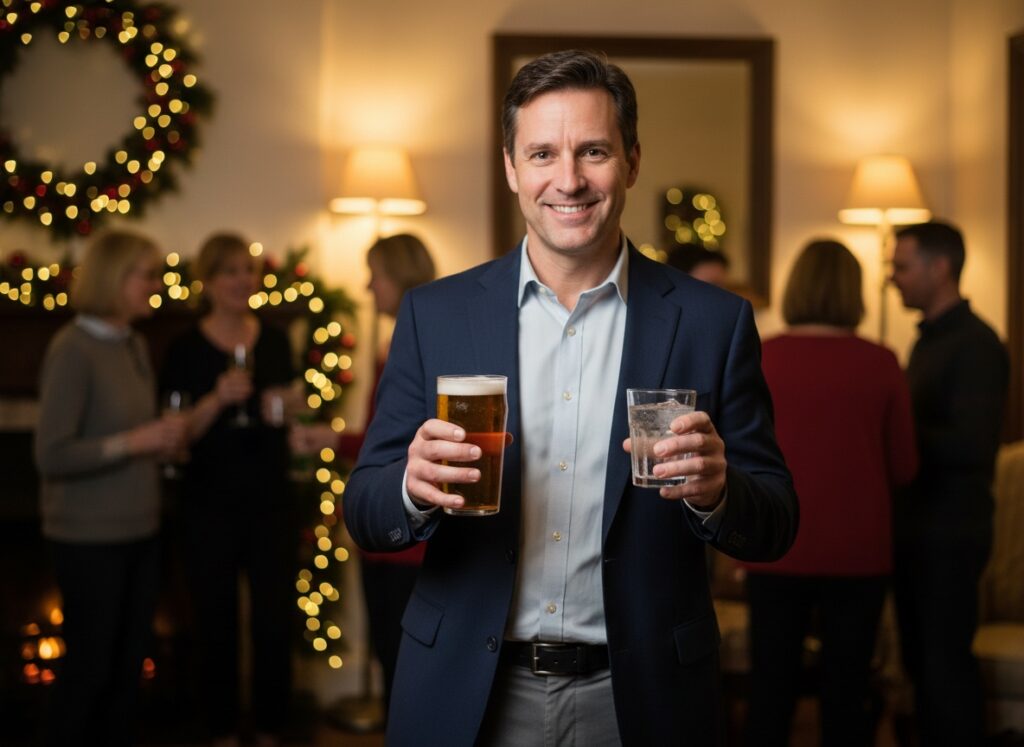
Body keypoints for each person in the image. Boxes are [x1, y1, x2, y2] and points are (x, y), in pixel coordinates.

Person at [343, 49, 798, 746]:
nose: (569, 179)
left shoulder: (714, 322)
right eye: (542, 153)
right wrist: (410, 484)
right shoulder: (434, 314)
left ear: (633, 161)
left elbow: (775, 521)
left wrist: (717, 489)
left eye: (593, 151)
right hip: (466, 690)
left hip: (644, 696)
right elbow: (366, 509)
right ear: (510, 168)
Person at [741, 239, 918, 747]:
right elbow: (905, 467)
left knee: (769, 691)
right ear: (853, 291)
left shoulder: (764, 355)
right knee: (847, 693)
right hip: (859, 553)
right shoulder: (881, 361)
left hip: (775, 546)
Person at [34, 230, 187, 746]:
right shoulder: (72, 349)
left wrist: (159, 444)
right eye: (147, 274)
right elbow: (51, 454)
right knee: (90, 673)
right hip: (87, 540)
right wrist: (134, 441)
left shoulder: (134, 344)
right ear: (115, 278)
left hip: (140, 531)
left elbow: (132, 438)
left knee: (125, 676)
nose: (156, 285)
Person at [161, 233, 298, 747]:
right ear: (209, 282)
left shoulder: (277, 339)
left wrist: (288, 403)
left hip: (270, 503)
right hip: (207, 506)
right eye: (231, 271)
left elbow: (293, 406)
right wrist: (217, 399)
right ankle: (218, 730)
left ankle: (269, 729)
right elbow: (176, 436)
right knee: (214, 620)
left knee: (273, 622)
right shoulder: (185, 348)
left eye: (249, 269)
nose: (244, 280)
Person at [290, 233, 436, 708]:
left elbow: (397, 443)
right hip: (399, 527)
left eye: (375, 275)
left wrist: (333, 439)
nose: (369, 287)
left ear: (397, 276)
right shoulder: (409, 338)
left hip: (407, 535)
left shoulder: (413, 342)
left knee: (402, 667)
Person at [889, 220, 1009, 746]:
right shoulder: (929, 342)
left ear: (940, 268)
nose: (893, 279)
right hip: (921, 528)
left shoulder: (978, 345)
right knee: (922, 663)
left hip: (951, 532)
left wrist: (896, 431)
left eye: (901, 267)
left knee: (943, 668)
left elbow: (972, 445)